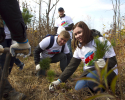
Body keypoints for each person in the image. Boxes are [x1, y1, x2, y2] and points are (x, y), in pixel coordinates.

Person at [49, 21, 118, 93]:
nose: (77, 36)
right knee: (78, 88)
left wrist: (105, 64)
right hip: (89, 72)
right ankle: (95, 89)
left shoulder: (101, 41)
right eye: (75, 34)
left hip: (107, 71)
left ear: (86, 31)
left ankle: (102, 95)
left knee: (91, 79)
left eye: (79, 32)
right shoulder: (79, 48)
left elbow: (113, 61)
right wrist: (58, 80)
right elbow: (71, 67)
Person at [0, 0, 31, 99]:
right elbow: (8, 5)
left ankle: (4, 85)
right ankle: (6, 91)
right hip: (5, 37)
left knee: (9, 63)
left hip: (11, 38)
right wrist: (22, 40)